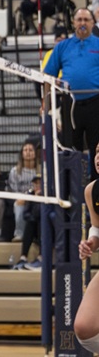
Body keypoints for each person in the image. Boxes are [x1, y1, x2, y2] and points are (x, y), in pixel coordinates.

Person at [43, 8, 99, 177]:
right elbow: (47, 76)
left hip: (95, 103)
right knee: (69, 147)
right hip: (70, 104)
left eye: (86, 20)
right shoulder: (62, 47)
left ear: (92, 23)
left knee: (96, 147)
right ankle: (71, 193)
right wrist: (45, 104)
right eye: (79, 19)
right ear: (74, 23)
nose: (82, 23)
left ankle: (96, 192)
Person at [76, 151, 99, 353]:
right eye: (98, 152)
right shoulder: (92, 191)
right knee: (84, 327)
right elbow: (97, 228)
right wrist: (91, 242)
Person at [7, 142, 39, 240]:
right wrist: (22, 197)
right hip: (21, 198)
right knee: (18, 204)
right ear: (22, 153)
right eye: (25, 150)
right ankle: (19, 235)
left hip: (36, 198)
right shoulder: (15, 171)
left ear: (35, 153)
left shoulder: (41, 170)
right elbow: (13, 189)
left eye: (30, 150)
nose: (28, 152)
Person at [11, 175, 43, 270]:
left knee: (41, 222)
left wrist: (39, 198)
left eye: (39, 183)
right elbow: (26, 214)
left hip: (46, 228)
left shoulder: (49, 195)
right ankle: (23, 257)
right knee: (31, 223)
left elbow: (41, 212)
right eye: (35, 183)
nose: (37, 185)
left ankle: (41, 258)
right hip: (34, 227)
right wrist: (35, 197)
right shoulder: (30, 195)